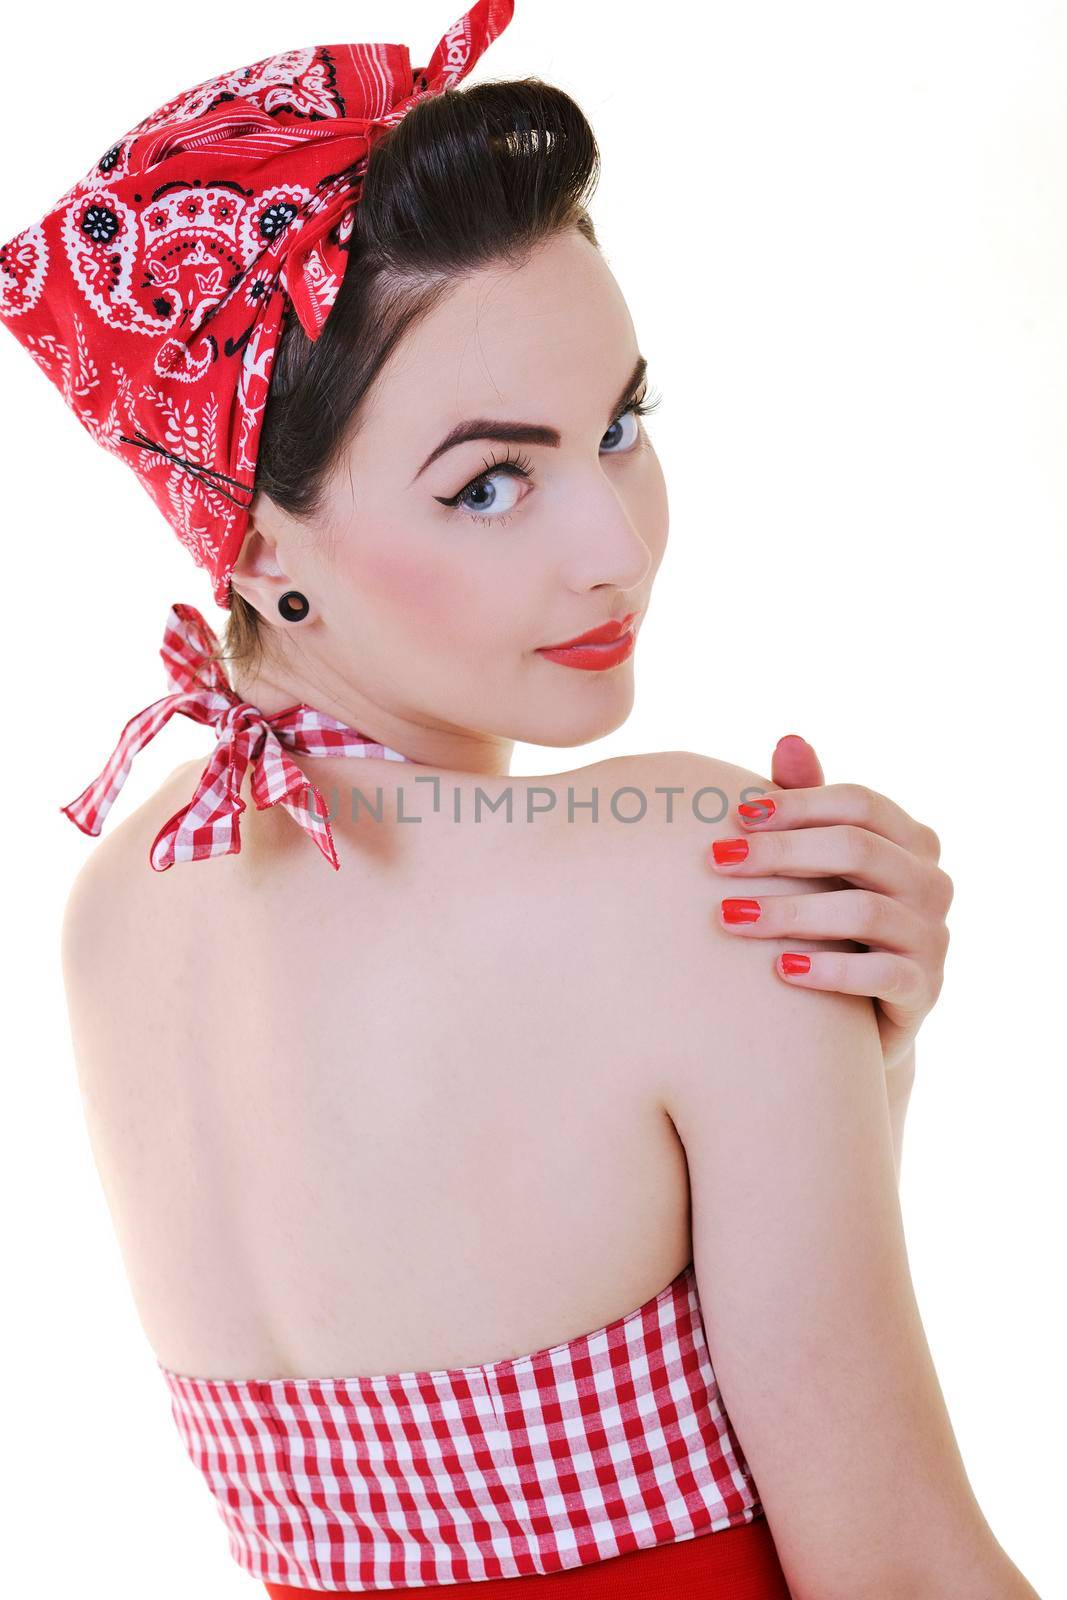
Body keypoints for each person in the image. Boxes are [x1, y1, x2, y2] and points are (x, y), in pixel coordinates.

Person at [1, 4, 1039, 1596]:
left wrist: (854, 1081)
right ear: (259, 548)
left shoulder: (120, 905)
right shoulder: (698, 875)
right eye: (490, 480)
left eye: (618, 425)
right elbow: (895, 1567)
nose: (611, 545)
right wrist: (807, 1047)